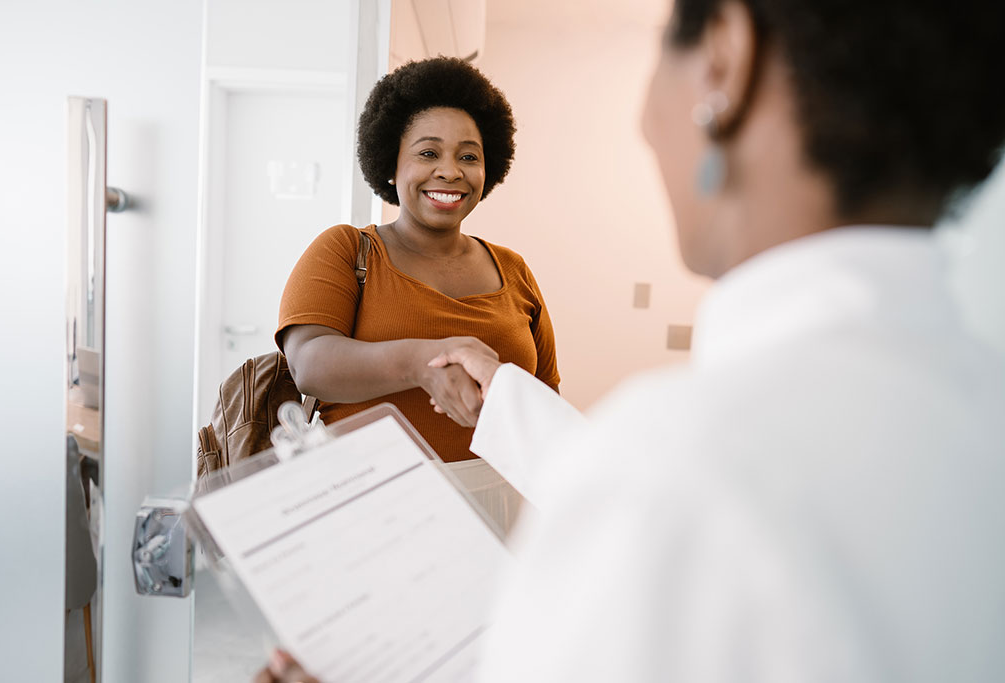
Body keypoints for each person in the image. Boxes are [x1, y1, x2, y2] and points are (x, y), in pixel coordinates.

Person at [259, 0, 1005, 680]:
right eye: (428, 151)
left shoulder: (667, 473)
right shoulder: (980, 406)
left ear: (724, 56)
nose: (648, 126)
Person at [276, 57, 559, 532]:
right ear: (391, 163)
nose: (450, 172)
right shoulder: (347, 250)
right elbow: (310, 364)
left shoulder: (514, 270)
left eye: (469, 156)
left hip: (501, 514)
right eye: (428, 153)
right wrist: (424, 363)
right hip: (371, 510)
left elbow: (545, 394)